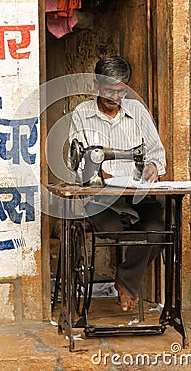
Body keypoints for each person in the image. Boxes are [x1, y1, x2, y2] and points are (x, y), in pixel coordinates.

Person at [68, 56, 166, 312]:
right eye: (110, 89)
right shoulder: (82, 114)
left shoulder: (137, 111)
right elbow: (76, 161)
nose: (115, 96)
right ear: (96, 84)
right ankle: (130, 281)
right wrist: (98, 175)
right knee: (117, 229)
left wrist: (153, 166)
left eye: (121, 90)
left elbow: (156, 152)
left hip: (137, 194)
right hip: (100, 198)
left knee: (158, 231)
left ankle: (126, 280)